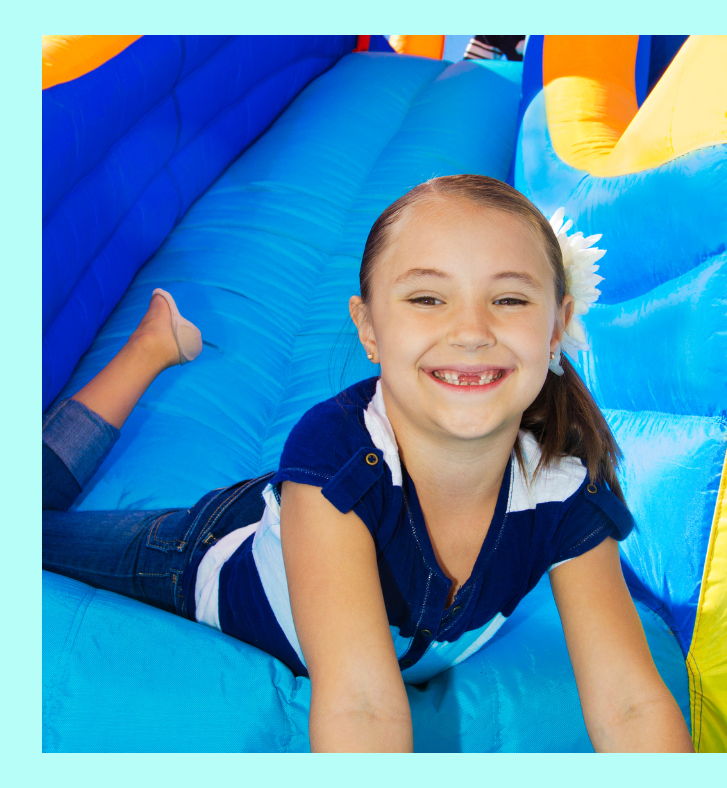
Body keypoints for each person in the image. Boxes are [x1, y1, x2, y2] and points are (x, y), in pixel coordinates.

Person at [42, 174, 693, 753]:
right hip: (210, 550)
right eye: (428, 299)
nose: (471, 331)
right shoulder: (334, 452)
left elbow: (631, 703)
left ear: (556, 327)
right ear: (369, 328)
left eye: (510, 299)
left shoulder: (563, 483)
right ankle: (149, 349)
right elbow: (360, 704)